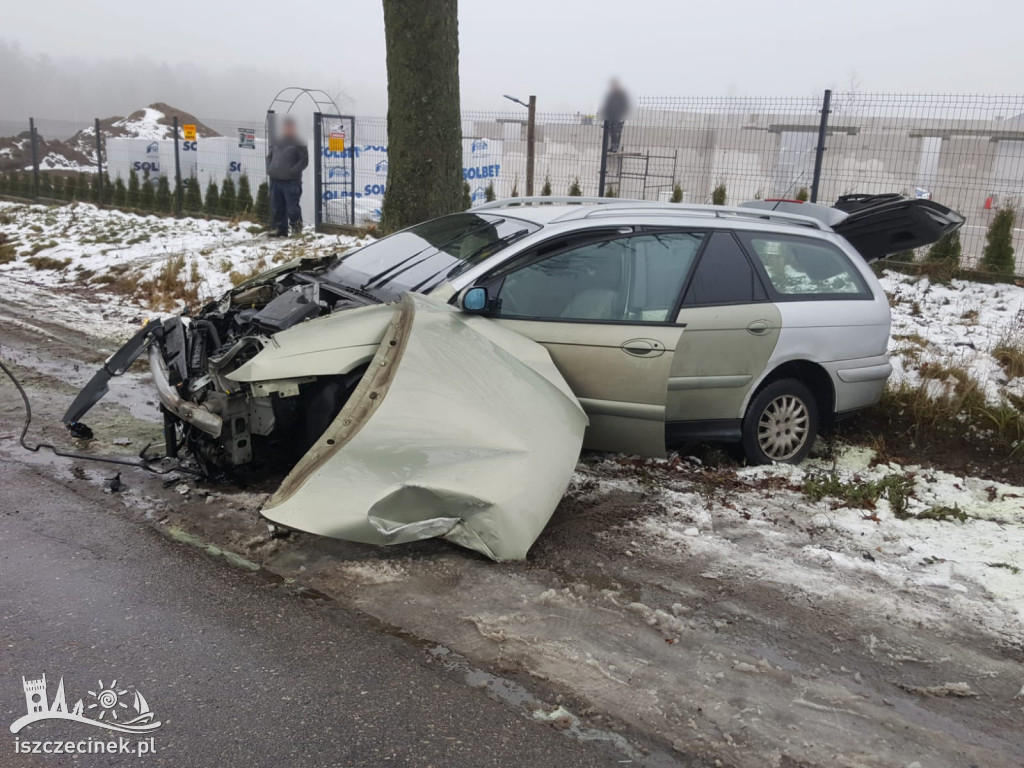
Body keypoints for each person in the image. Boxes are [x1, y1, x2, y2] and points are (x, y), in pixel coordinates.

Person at [266, 117, 309, 237]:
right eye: (286, 127)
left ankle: (296, 229)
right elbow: (270, 156)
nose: (287, 129)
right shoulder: (278, 141)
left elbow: (304, 160)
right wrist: (270, 169)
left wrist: (292, 172)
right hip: (276, 181)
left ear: (294, 128)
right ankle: (280, 230)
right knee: (277, 207)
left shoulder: (299, 142)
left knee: (292, 208)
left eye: (290, 127)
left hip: (291, 182)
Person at [600, 78, 630, 154]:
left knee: (617, 132)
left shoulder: (622, 95)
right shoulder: (611, 95)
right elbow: (607, 105)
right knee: (611, 132)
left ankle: (616, 146)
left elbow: (625, 105)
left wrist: (621, 114)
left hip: (618, 116)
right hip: (611, 116)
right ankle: (612, 146)